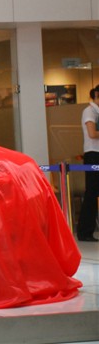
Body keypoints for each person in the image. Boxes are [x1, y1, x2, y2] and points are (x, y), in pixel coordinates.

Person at [78, 85, 99, 242]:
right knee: (92, 193)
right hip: (93, 155)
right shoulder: (89, 111)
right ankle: (85, 231)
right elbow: (92, 133)